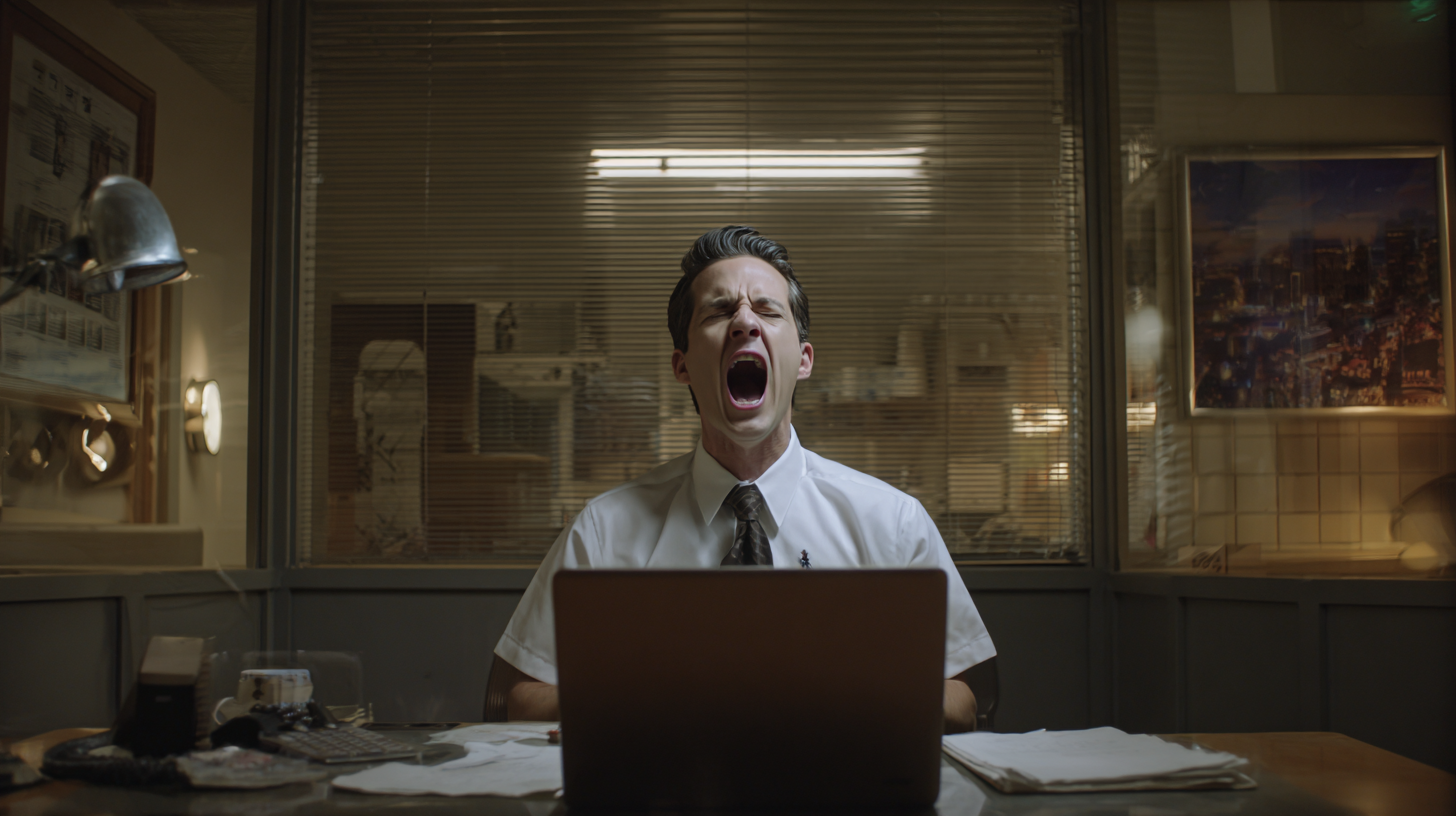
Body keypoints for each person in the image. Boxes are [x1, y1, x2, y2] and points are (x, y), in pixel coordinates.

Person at [494, 226, 995, 732]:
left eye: (768, 310)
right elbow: (519, 698)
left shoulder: (893, 523)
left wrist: (848, 689)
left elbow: (965, 697)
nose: (744, 322)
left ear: (803, 360)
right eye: (718, 311)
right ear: (682, 365)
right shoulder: (603, 531)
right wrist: (642, 696)